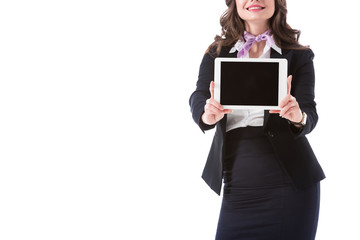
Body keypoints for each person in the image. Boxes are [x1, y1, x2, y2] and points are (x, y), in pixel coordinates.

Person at [189, 0, 325, 239]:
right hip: (237, 181)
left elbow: (309, 113)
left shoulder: (299, 56)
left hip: (290, 184)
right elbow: (198, 95)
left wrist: (297, 116)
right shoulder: (216, 52)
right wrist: (205, 113)